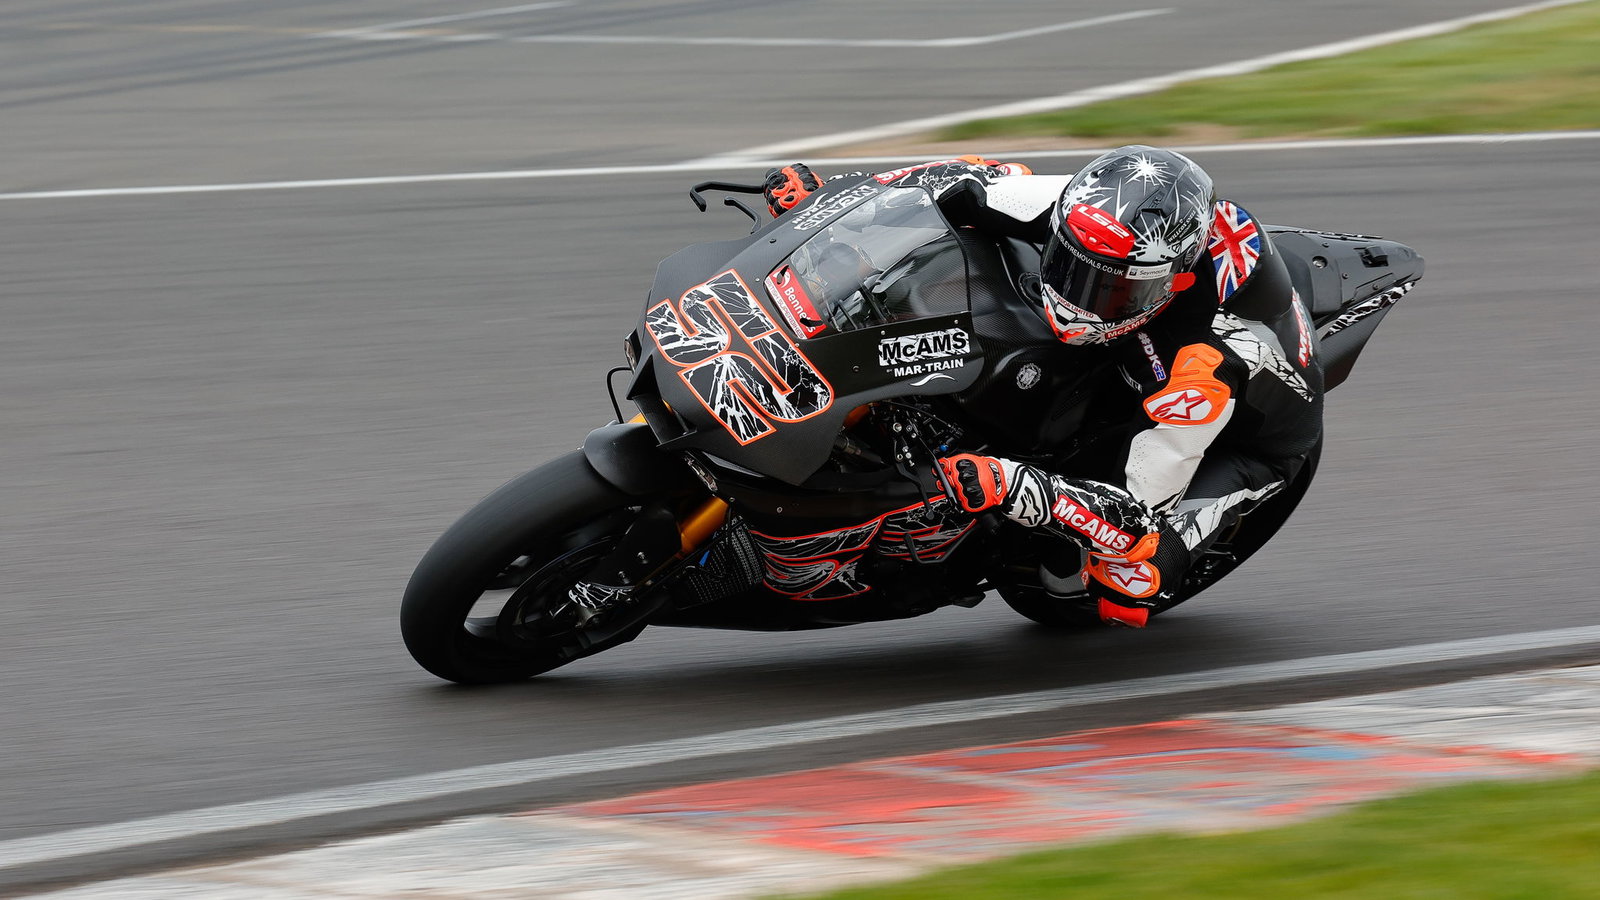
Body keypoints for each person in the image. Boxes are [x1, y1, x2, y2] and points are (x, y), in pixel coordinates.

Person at [761, 148, 1324, 627]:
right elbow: (947, 182)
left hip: (1250, 441)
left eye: (1109, 290)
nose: (1076, 296)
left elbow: (1134, 517)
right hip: (1146, 338)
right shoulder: (1085, 214)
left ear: (1169, 284)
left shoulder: (1199, 368)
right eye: (1070, 267)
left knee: (1133, 580)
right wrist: (826, 202)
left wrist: (1012, 485)